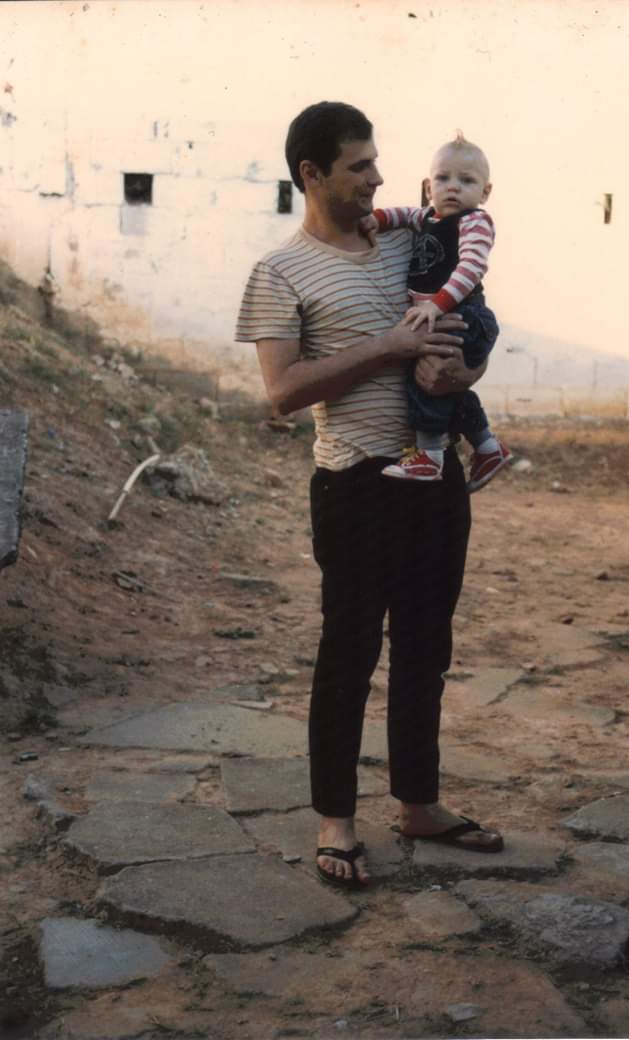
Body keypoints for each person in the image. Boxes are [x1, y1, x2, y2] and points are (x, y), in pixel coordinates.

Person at [235, 101, 503, 889]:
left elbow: (466, 327)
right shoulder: (278, 273)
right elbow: (281, 391)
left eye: (378, 160)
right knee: (347, 655)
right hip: (353, 486)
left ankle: (419, 803)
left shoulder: (407, 239)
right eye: (359, 165)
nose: (380, 177)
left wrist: (466, 376)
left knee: (427, 650)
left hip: (434, 476)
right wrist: (387, 345)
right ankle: (336, 820)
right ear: (313, 175)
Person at [360, 132, 512, 491]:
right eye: (443, 179)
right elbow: (403, 214)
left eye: (467, 180)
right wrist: (375, 219)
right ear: (429, 186)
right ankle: (487, 446)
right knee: (446, 388)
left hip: (465, 313)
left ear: (485, 192)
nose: (453, 188)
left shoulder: (475, 222)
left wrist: (437, 303)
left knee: (425, 378)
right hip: (443, 313)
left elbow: (472, 267)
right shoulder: (427, 216)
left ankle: (429, 456)